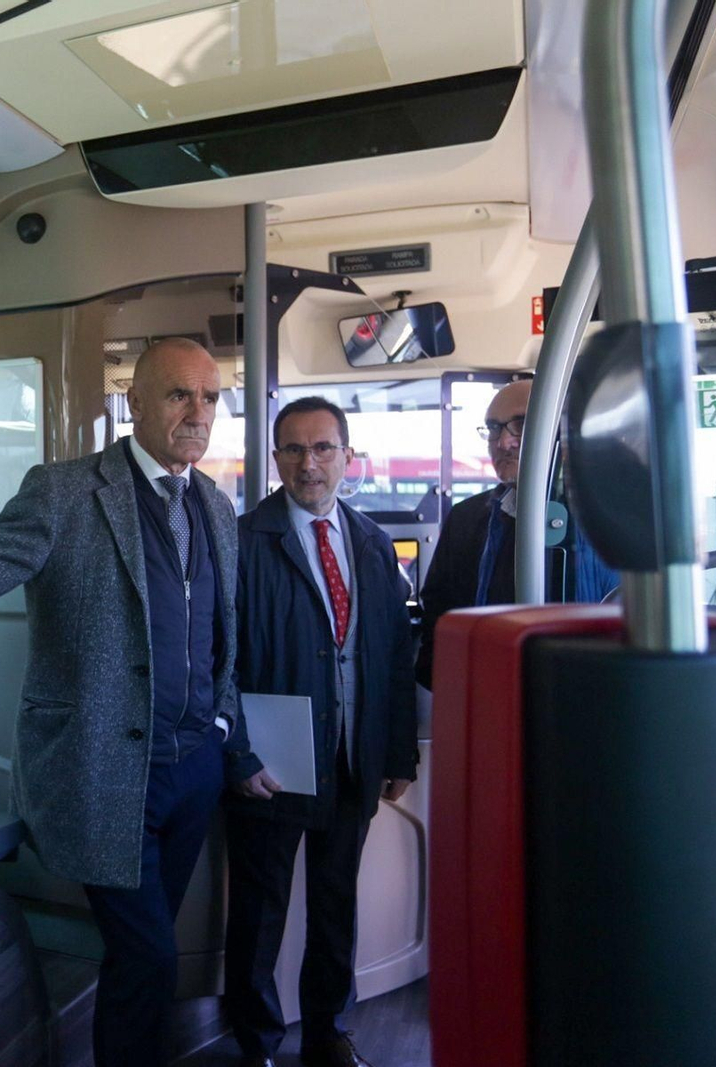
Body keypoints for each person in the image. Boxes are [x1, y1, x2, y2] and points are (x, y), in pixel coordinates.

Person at [0, 337, 239, 1067]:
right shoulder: (65, 491)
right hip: (103, 769)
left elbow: (225, 629)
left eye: (209, 397)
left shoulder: (216, 507)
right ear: (135, 403)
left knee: (144, 948)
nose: (198, 413)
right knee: (151, 954)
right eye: (178, 394)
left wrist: (222, 723)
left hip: (194, 764)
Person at [223, 396, 418, 1067]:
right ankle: (255, 1043)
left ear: (347, 456)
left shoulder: (371, 542)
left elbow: (393, 656)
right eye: (295, 449)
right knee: (259, 915)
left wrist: (397, 753)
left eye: (323, 448)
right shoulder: (241, 542)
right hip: (268, 768)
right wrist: (237, 753)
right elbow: (215, 660)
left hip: (353, 759)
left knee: (336, 907)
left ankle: (327, 1034)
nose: (309, 463)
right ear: (276, 458)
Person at [415, 379, 617, 687]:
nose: (502, 442)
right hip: (491, 695)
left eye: (521, 425)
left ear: (564, 432)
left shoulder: (612, 516)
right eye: (494, 428)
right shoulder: (466, 519)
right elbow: (439, 614)